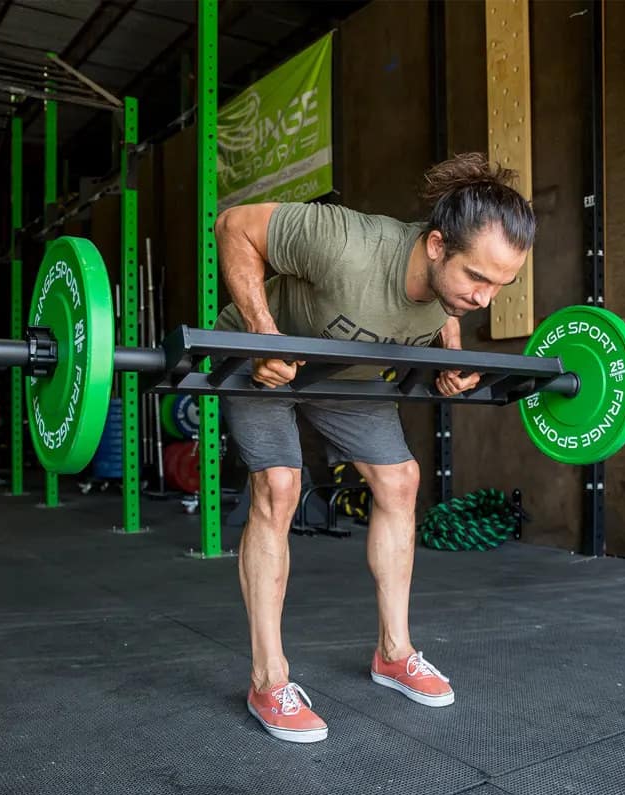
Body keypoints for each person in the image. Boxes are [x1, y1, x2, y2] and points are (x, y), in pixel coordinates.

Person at [213, 152, 536, 743]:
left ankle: (394, 652)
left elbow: (447, 307)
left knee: (400, 480)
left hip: (345, 374)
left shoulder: (453, 288)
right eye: (478, 279)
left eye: (501, 284)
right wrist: (262, 331)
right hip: (259, 357)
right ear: (436, 246)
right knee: (281, 487)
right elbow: (234, 225)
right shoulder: (347, 243)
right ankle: (268, 679)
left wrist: (452, 357)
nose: (487, 298)